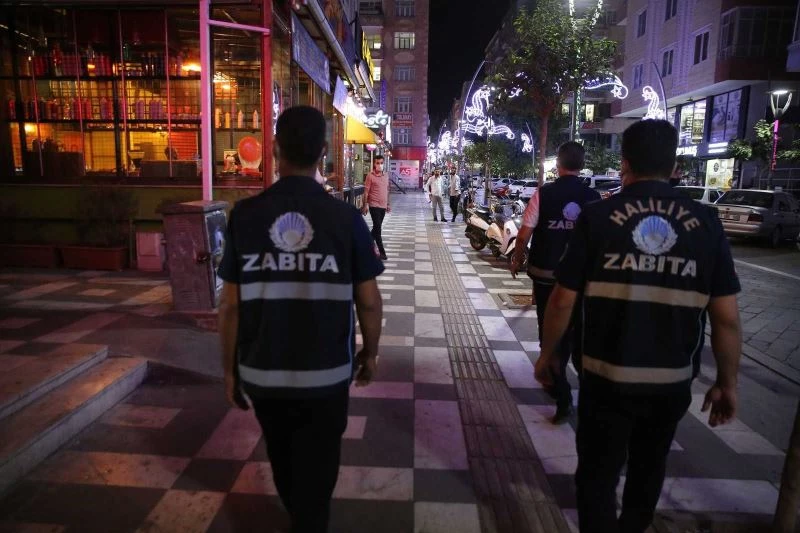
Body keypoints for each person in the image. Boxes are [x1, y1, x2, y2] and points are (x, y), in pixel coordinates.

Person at [534, 120, 741, 533]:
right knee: (649, 469)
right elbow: (727, 318)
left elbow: (562, 299)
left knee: (597, 475)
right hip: (671, 381)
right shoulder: (706, 222)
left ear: (625, 163)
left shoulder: (598, 217)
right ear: (675, 166)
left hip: (605, 376)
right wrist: (727, 382)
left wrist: (548, 355)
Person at [217, 106, 385, 533]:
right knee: (320, 464)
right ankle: (309, 521)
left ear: (275, 149)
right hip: (326, 374)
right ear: (323, 152)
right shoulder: (346, 219)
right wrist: (371, 354)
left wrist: (229, 371)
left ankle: (301, 516)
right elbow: (369, 302)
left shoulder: (245, 216)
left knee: (282, 456)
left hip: (263, 371)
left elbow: (231, 306)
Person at [510, 142, 600, 424]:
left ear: (557, 165)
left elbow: (525, 232)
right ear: (581, 166)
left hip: (547, 275)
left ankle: (561, 394)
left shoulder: (544, 194)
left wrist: (517, 257)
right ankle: (586, 398)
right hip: (583, 281)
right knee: (578, 336)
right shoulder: (593, 197)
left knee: (549, 331)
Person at [362, 154, 390, 260]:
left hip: (383, 206)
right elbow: (366, 192)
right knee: (378, 229)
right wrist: (365, 205)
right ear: (374, 164)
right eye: (378, 163)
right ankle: (382, 252)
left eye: (381, 163)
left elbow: (387, 190)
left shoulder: (386, 176)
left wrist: (388, 204)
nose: (380, 165)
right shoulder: (370, 176)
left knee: (376, 228)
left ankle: (364, 245)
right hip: (374, 205)